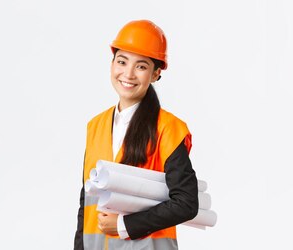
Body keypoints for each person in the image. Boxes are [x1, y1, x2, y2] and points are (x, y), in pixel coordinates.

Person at [74, 20, 199, 250]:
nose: (128, 74)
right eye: (122, 62)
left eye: (141, 66)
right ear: (112, 64)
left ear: (155, 74)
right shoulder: (96, 126)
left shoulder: (168, 128)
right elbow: (86, 203)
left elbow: (187, 203)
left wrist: (124, 225)